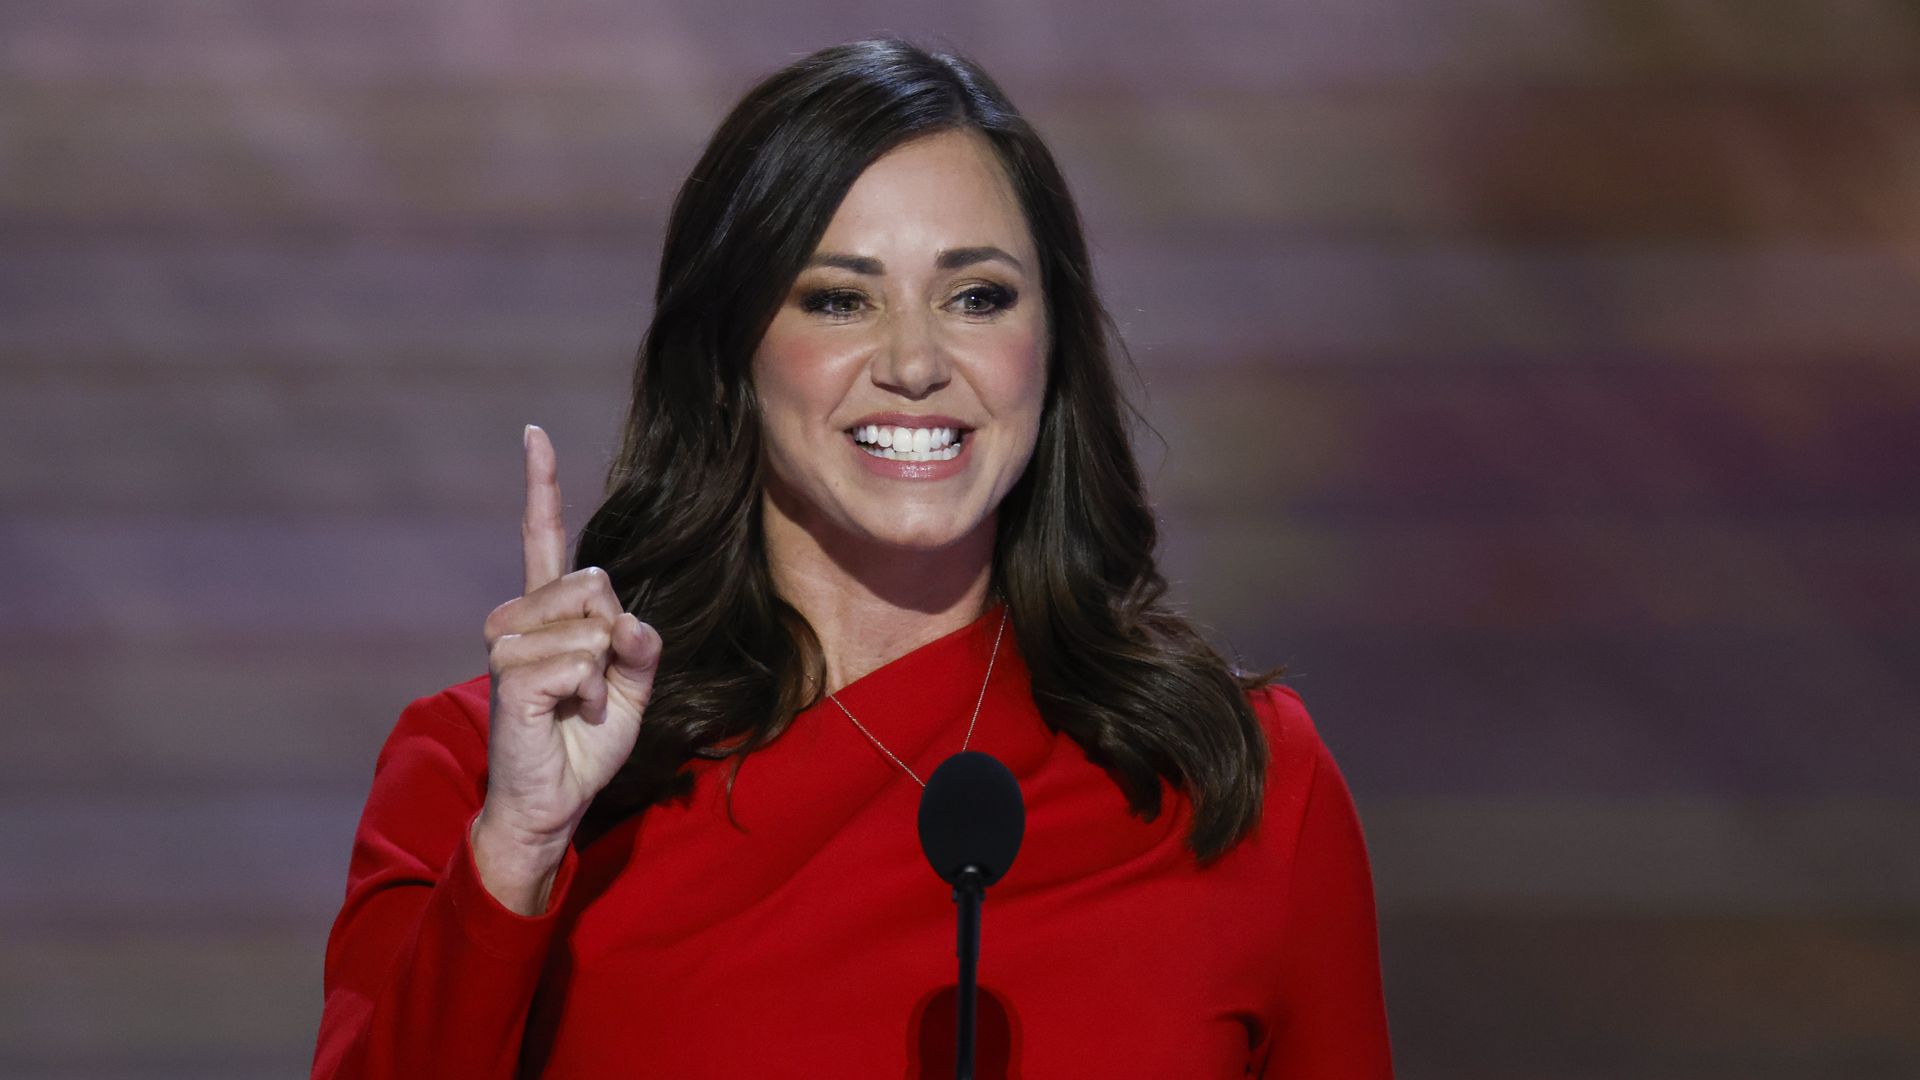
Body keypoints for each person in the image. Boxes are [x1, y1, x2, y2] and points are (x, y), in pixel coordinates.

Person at [313, 38, 1392, 1078]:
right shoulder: (486, 774)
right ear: (734, 356)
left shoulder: (1237, 779)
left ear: (1050, 348)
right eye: (840, 298)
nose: (916, 362)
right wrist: (517, 852)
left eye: (977, 297)